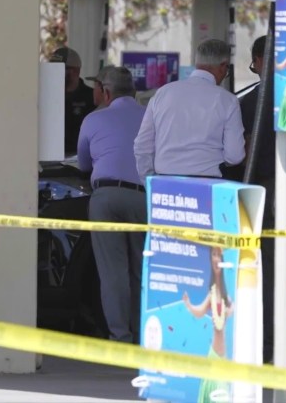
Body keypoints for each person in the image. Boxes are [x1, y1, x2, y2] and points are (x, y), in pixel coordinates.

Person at [76, 66, 147, 344]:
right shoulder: (149, 115)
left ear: (105, 92)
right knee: (142, 269)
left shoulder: (94, 120)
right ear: (135, 92)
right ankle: (145, 336)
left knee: (112, 272)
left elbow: (82, 163)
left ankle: (120, 338)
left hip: (105, 198)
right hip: (144, 196)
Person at [134, 39, 244, 180]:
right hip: (207, 183)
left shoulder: (162, 93)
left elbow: (142, 145)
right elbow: (235, 156)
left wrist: (149, 181)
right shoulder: (228, 100)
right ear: (223, 66)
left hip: (164, 181)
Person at [238, 35, 276, 363]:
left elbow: (239, 152)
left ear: (259, 61)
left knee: (257, 267)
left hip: (259, 193)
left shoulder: (248, 102)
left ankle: (263, 338)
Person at [183, 246, 235, 403]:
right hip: (214, 354)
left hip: (222, 355)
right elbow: (199, 312)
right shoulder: (212, 293)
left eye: (219, 254)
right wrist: (189, 305)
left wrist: (227, 312)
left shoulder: (227, 296)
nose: (217, 258)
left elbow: (233, 308)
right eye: (214, 254)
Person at [50, 46, 95, 155]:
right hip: (49, 158)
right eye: (51, 68)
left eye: (60, 68)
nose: (54, 72)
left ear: (76, 71)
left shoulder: (92, 97)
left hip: (79, 159)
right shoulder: (46, 95)